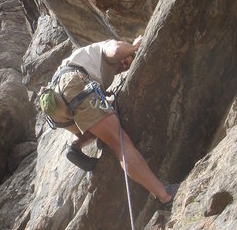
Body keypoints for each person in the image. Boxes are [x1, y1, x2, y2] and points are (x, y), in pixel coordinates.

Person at [41, 37, 175, 204]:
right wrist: (133, 47)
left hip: (54, 105)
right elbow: (117, 51)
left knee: (95, 127)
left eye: (129, 65)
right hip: (72, 86)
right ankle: (165, 196)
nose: (125, 65)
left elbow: (93, 112)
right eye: (128, 60)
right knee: (120, 142)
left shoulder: (84, 62)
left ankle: (75, 147)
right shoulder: (105, 47)